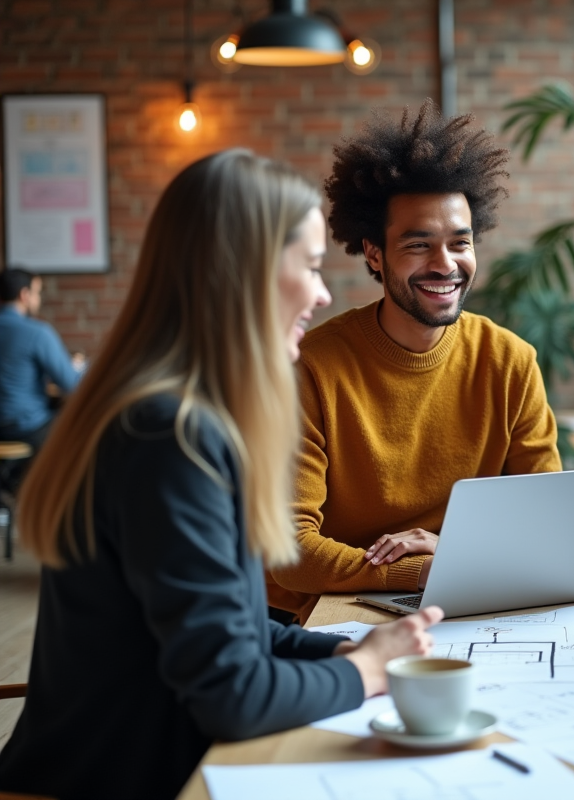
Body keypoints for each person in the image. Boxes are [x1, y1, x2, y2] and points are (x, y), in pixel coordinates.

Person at [0, 151, 444, 800]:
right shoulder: (171, 436)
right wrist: (369, 672)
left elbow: (225, 623)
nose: (323, 294)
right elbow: (232, 693)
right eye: (313, 266)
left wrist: (340, 654)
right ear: (251, 272)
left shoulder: (170, 415)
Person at [266, 102, 561, 623]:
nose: (445, 264)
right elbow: (289, 551)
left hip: (468, 601)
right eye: (418, 244)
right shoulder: (311, 368)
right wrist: (426, 569)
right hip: (325, 615)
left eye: (460, 243)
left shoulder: (511, 362)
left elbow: (546, 530)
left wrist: (449, 560)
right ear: (374, 254)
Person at [0, 268, 83, 460]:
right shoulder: (37, 332)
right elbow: (72, 385)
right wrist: (73, 367)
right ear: (24, 295)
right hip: (25, 427)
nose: (39, 300)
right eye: (37, 293)